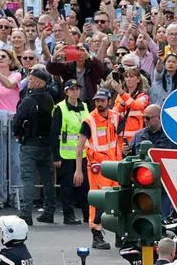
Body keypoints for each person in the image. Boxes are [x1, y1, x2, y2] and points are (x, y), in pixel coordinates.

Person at [75, 88, 122, 249]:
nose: (99, 103)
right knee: (99, 202)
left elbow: (121, 140)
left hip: (116, 165)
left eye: (102, 100)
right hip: (98, 167)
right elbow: (79, 146)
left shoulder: (116, 117)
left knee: (118, 199)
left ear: (109, 101)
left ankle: (119, 235)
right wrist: (78, 170)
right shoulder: (89, 121)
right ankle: (96, 235)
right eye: (97, 101)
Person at [14, 67, 56, 225]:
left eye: (31, 79)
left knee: (28, 179)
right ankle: (49, 211)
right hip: (46, 144)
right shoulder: (49, 98)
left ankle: (26, 213)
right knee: (47, 179)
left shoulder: (29, 100)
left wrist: (17, 134)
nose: (28, 82)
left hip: (30, 143)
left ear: (38, 82)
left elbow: (18, 119)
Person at [51, 79, 88, 225]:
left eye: (77, 89)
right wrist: (56, 155)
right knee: (67, 187)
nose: (75, 92)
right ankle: (68, 215)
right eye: (72, 89)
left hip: (83, 153)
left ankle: (87, 215)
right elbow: (54, 133)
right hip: (65, 154)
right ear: (66, 91)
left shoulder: (85, 106)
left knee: (85, 186)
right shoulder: (60, 108)